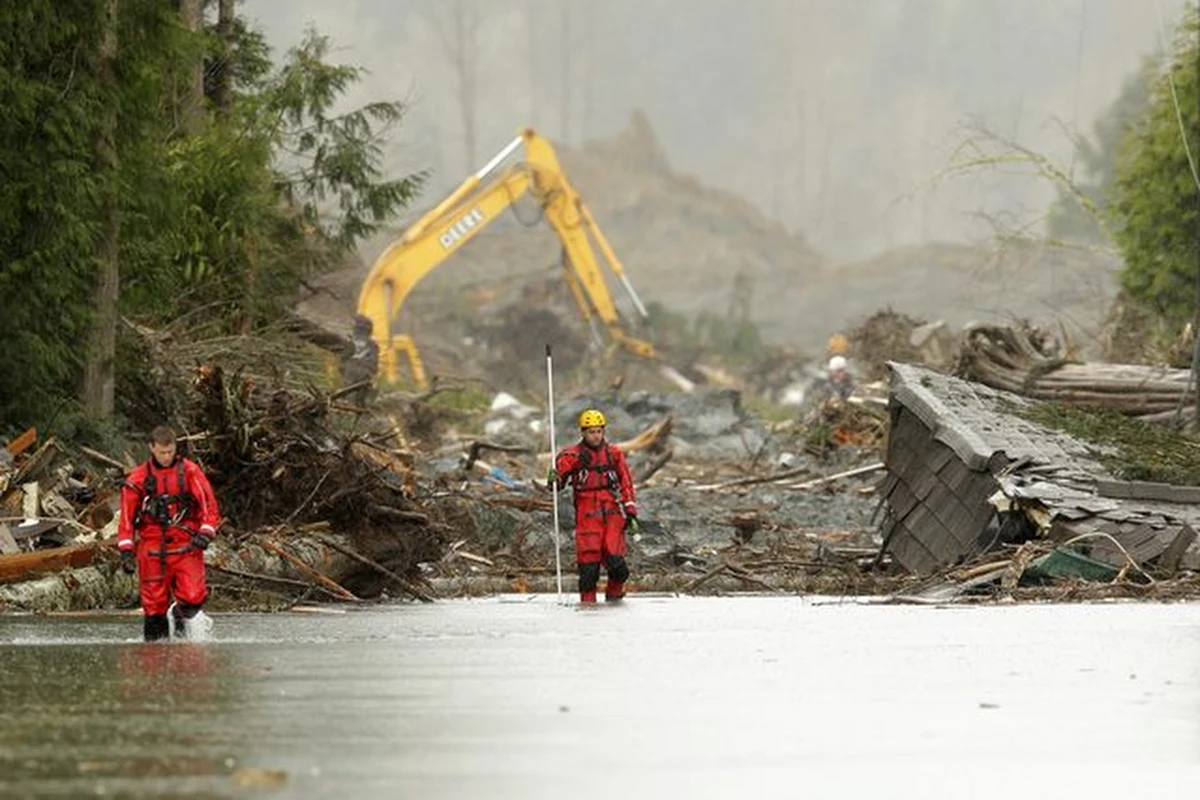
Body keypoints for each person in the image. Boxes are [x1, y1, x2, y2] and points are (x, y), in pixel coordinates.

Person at [118, 425, 221, 642]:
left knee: (193, 597)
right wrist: (126, 550)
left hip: (186, 543)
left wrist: (206, 533)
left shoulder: (190, 472)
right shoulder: (137, 479)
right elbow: (126, 518)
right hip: (152, 546)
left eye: (170, 452)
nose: (166, 457)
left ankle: (179, 620)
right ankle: (155, 655)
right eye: (162, 452)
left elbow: (209, 507)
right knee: (154, 606)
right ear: (152, 448)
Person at [547, 409, 640, 604]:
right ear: (583, 432)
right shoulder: (571, 456)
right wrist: (555, 477)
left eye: (599, 431)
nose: (596, 436)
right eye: (591, 432)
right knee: (589, 571)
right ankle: (588, 607)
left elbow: (626, 483)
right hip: (587, 514)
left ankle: (614, 597)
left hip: (612, 512)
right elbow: (556, 486)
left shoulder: (614, 454)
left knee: (618, 567)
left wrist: (630, 511)